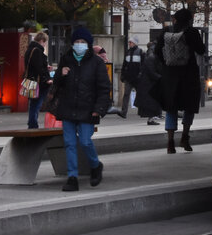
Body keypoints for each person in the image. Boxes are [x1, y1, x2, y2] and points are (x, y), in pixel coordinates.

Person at [51, 26, 109, 191]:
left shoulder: (96, 62)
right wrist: (60, 74)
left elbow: (104, 88)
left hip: (88, 108)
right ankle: (72, 177)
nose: (79, 44)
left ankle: (95, 165)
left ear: (89, 44)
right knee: (69, 143)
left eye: (83, 42)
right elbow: (56, 84)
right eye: (76, 41)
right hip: (68, 107)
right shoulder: (66, 59)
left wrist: (99, 108)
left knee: (84, 141)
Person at [154, 8, 207, 154]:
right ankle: (185, 137)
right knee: (189, 106)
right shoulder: (191, 32)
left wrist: (166, 64)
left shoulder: (166, 32)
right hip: (188, 74)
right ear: (189, 20)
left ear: (175, 19)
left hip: (170, 75)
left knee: (171, 107)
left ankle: (170, 142)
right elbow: (201, 50)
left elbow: (157, 51)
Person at [23, 30, 51, 129]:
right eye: (45, 42)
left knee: (33, 104)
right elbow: (39, 68)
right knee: (36, 105)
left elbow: (32, 66)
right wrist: (46, 79)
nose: (45, 44)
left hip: (30, 81)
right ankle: (33, 125)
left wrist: (45, 67)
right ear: (42, 40)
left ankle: (32, 124)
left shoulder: (29, 50)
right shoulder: (37, 51)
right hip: (38, 83)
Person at [110, 38, 142, 118]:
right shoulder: (127, 52)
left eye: (131, 42)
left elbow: (143, 65)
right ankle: (124, 112)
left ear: (135, 43)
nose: (129, 44)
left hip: (137, 78)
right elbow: (124, 65)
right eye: (129, 42)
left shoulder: (140, 52)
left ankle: (141, 110)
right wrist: (123, 75)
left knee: (140, 94)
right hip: (129, 78)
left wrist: (140, 75)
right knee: (126, 94)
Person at [136, 40, 163, 125]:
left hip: (149, 84)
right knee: (152, 103)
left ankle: (152, 118)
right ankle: (151, 119)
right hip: (149, 84)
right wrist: (161, 78)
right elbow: (152, 72)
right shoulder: (152, 58)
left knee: (152, 103)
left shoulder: (151, 57)